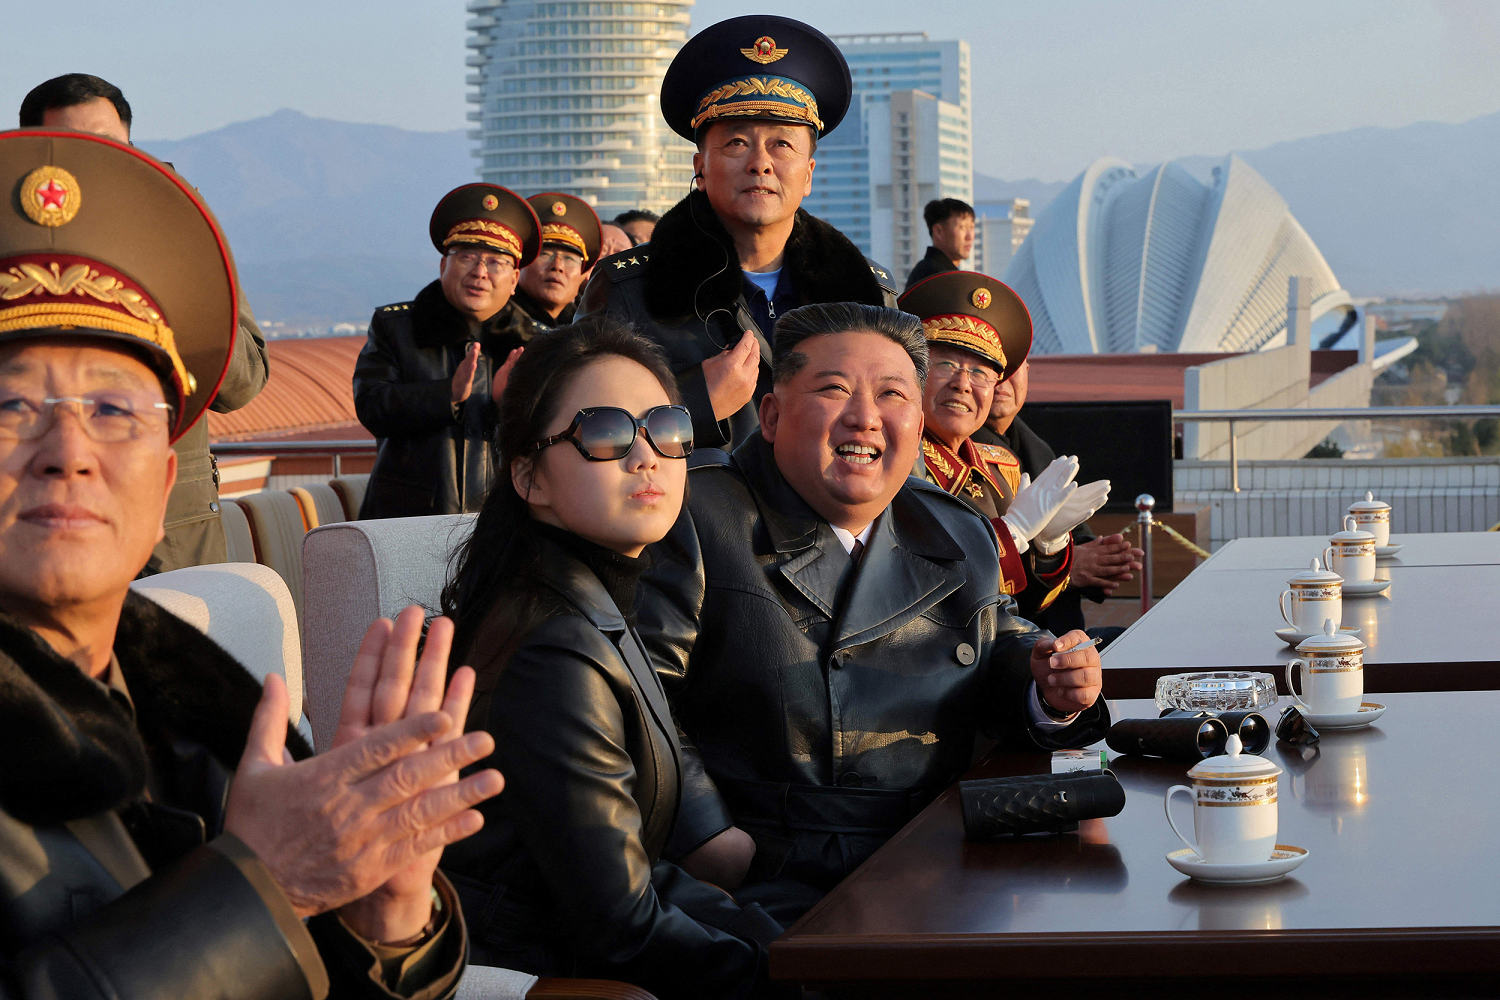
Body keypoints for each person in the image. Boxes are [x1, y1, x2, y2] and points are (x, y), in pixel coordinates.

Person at [0, 128, 502, 998]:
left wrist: (378, 928)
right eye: (11, 406)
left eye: (114, 410)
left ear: (165, 483)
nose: (68, 453)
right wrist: (265, 888)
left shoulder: (195, 719)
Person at [638, 301, 1110, 923]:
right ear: (771, 415)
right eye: (834, 389)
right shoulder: (699, 516)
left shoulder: (953, 526)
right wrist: (707, 835)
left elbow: (996, 640)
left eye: (892, 394)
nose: (865, 418)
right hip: (770, 873)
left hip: (942, 849)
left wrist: (1048, 684)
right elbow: (638, 700)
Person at [438, 320, 780, 998]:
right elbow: (618, 925)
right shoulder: (553, 646)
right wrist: (796, 976)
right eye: (604, 432)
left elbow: (632, 871)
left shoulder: (586, 596)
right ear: (529, 477)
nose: (646, 456)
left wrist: (781, 941)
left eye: (665, 427)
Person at [579, 15, 897, 452]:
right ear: (701, 168)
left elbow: (899, 449)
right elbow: (577, 430)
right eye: (736, 143)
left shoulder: (868, 295)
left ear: (808, 174)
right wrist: (695, 403)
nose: (760, 163)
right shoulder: (630, 291)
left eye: (782, 144)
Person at [19, 72, 270, 572]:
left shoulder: (180, 218)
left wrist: (174, 273)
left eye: (111, 147)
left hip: (169, 530)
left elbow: (242, 384)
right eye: (75, 150)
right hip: (30, 523)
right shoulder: (11, 240)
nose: (100, 164)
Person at [900, 271, 1109, 619]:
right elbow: (929, 586)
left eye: (980, 373)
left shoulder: (1000, 467)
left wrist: (1048, 547)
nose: (963, 384)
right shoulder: (897, 462)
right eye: (947, 364)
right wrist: (1011, 534)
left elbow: (1026, 605)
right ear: (914, 372)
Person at [354, 183, 541, 518]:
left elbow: (552, 436)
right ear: (443, 266)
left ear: (514, 279)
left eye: (495, 262)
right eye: (467, 257)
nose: (480, 272)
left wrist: (507, 405)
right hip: (407, 519)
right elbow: (371, 406)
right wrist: (447, 396)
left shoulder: (535, 343)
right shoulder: (397, 328)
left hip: (503, 522)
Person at [977, 356, 1144, 638]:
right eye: (990, 368)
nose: (1003, 378)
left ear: (1027, 372)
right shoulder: (958, 452)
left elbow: (1070, 526)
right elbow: (973, 563)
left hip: (1061, 632)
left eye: (1014, 366)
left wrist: (1097, 558)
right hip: (1007, 640)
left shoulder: (1034, 445)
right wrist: (1062, 565)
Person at [512, 193, 602, 330]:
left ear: (584, 274)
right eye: (545, 254)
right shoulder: (497, 323)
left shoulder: (593, 330)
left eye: (569, 258)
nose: (557, 266)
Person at [904, 197, 974, 291]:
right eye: (962, 227)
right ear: (938, 231)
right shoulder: (936, 275)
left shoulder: (933, 270)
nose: (969, 236)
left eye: (972, 227)